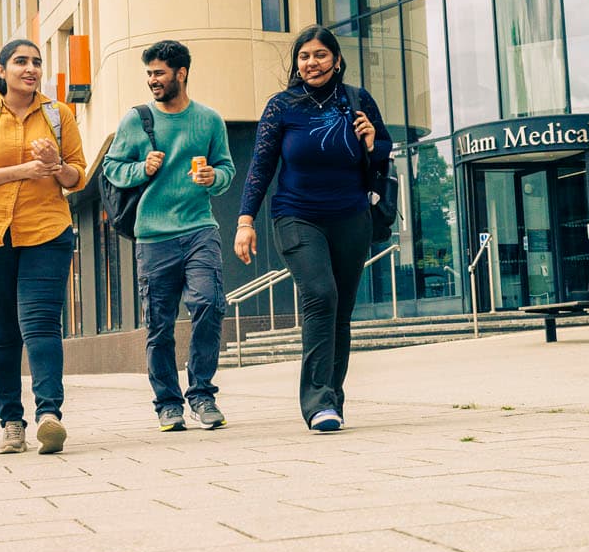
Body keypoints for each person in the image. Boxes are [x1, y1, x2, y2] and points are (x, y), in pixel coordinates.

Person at [235, 26, 388, 433]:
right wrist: (245, 221)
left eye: (320, 55)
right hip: (297, 215)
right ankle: (317, 401)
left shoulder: (357, 101)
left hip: (351, 217)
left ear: (336, 60)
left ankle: (331, 400)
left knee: (340, 311)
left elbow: (383, 154)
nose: (312, 63)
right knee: (321, 295)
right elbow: (261, 166)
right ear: (297, 63)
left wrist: (373, 142)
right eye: (304, 56)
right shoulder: (282, 107)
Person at [0, 38, 88, 455]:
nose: (30, 68)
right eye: (21, 62)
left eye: (36, 62)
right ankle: (11, 422)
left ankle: (50, 416)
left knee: (42, 323)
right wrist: (22, 170)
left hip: (46, 230)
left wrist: (55, 165)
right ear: (2, 69)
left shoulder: (58, 115)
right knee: (4, 332)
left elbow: (78, 175)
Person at [100, 40, 236, 433]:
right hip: (153, 235)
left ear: (181, 73)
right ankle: (167, 403)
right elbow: (112, 168)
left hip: (199, 229)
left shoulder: (209, 120)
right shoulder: (136, 121)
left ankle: (202, 394)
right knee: (159, 325)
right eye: (149, 74)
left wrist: (215, 177)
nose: (152, 81)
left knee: (209, 303)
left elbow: (225, 169)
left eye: (159, 73)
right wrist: (142, 168)